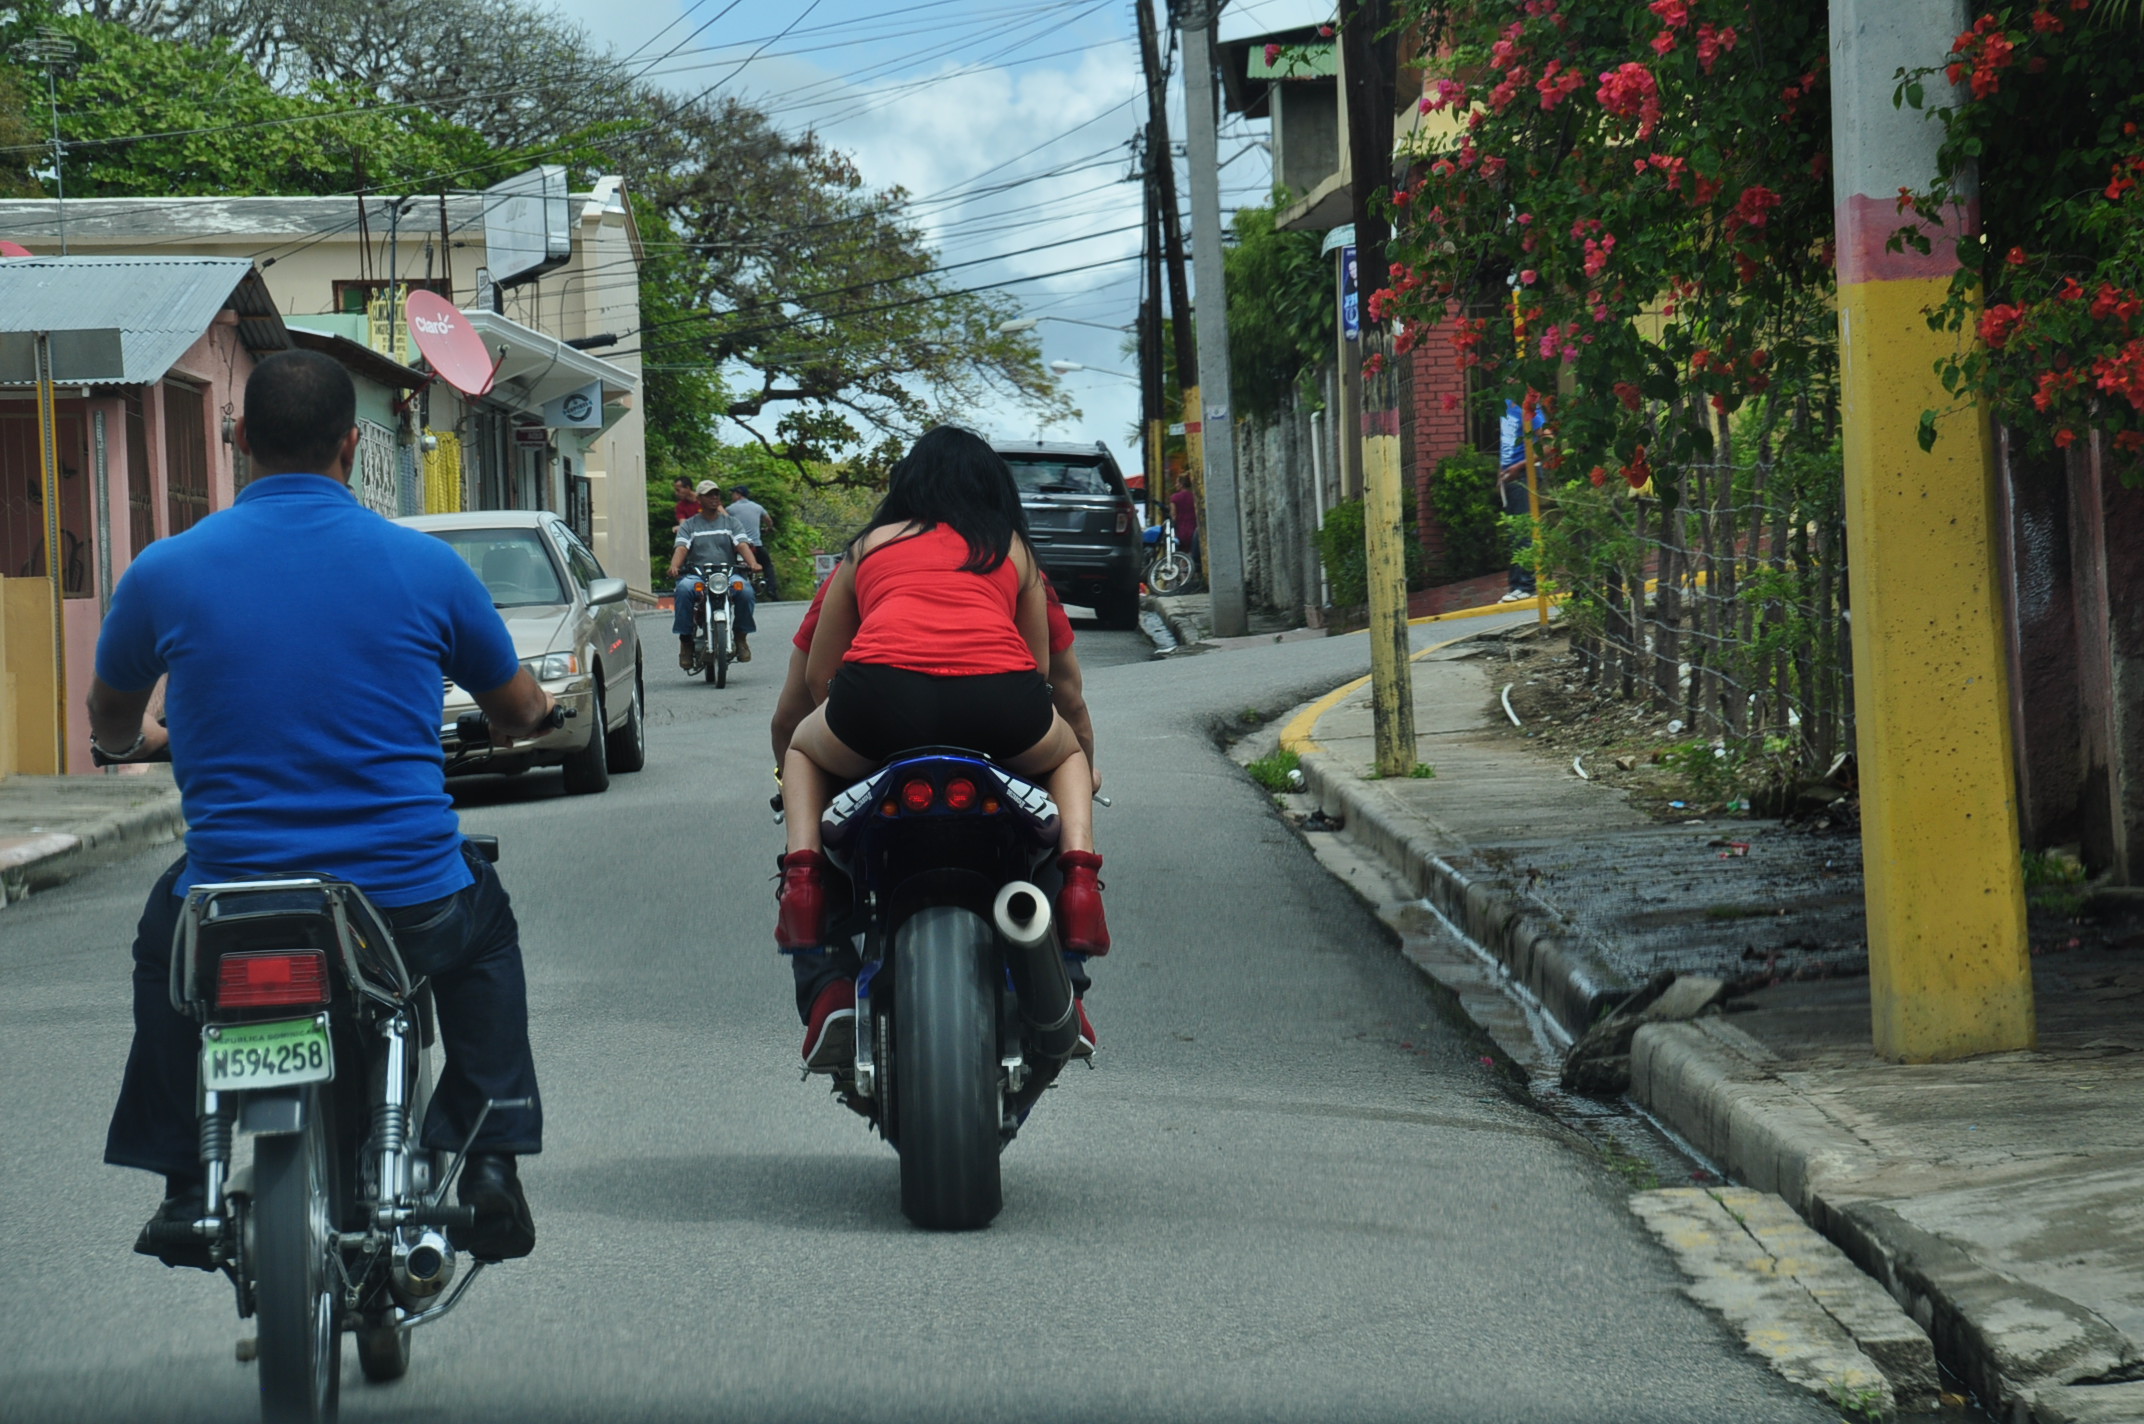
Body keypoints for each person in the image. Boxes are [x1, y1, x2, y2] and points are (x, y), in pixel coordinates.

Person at [89, 350, 553, 1269]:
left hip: (231, 903)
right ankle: (492, 1163)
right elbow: (516, 709)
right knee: (486, 933)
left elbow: (109, 720)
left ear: (240, 439)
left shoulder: (165, 570)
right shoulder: (427, 568)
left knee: (162, 948)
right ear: (351, 445)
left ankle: (183, 1179)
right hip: (406, 905)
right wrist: (528, 718)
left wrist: (138, 739)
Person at [772, 426, 1111, 1066]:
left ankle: (806, 882)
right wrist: (1078, 762)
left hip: (879, 699)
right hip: (999, 702)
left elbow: (819, 678)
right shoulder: (1011, 549)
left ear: (906, 486)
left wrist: (853, 735)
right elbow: (1043, 676)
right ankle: (1079, 886)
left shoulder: (867, 547)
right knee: (1068, 756)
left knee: (802, 752)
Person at [670, 479, 762, 669]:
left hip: (727, 574)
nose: (714, 498)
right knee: (684, 589)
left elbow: (741, 545)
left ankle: (741, 637)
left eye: (716, 494)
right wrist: (674, 566)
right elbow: (681, 548)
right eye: (709, 495)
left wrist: (753, 563)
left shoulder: (731, 523)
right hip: (698, 575)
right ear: (699, 499)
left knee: (745, 591)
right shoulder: (690, 525)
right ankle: (685, 642)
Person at [1496, 398, 1549, 603]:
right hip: (1510, 476)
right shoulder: (1506, 404)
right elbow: (1506, 443)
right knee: (1515, 531)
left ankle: (1526, 585)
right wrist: (1501, 472)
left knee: (1524, 529)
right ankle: (1516, 585)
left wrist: (1519, 467)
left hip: (1525, 474)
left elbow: (1547, 444)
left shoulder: (1528, 406)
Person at [726, 484, 780, 601]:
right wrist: (769, 528)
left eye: (733, 493)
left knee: (730, 566)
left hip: (737, 546)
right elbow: (769, 520)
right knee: (767, 565)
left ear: (738, 494)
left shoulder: (730, 509)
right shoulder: (757, 507)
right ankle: (771, 589)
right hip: (755, 545)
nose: (732, 496)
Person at [1169, 484, 1200, 578]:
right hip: (1195, 527)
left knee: (1183, 555)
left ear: (1181, 484)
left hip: (1182, 528)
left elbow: (1173, 515)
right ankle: (1196, 576)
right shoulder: (1195, 496)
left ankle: (1184, 578)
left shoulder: (1175, 497)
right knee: (1195, 553)